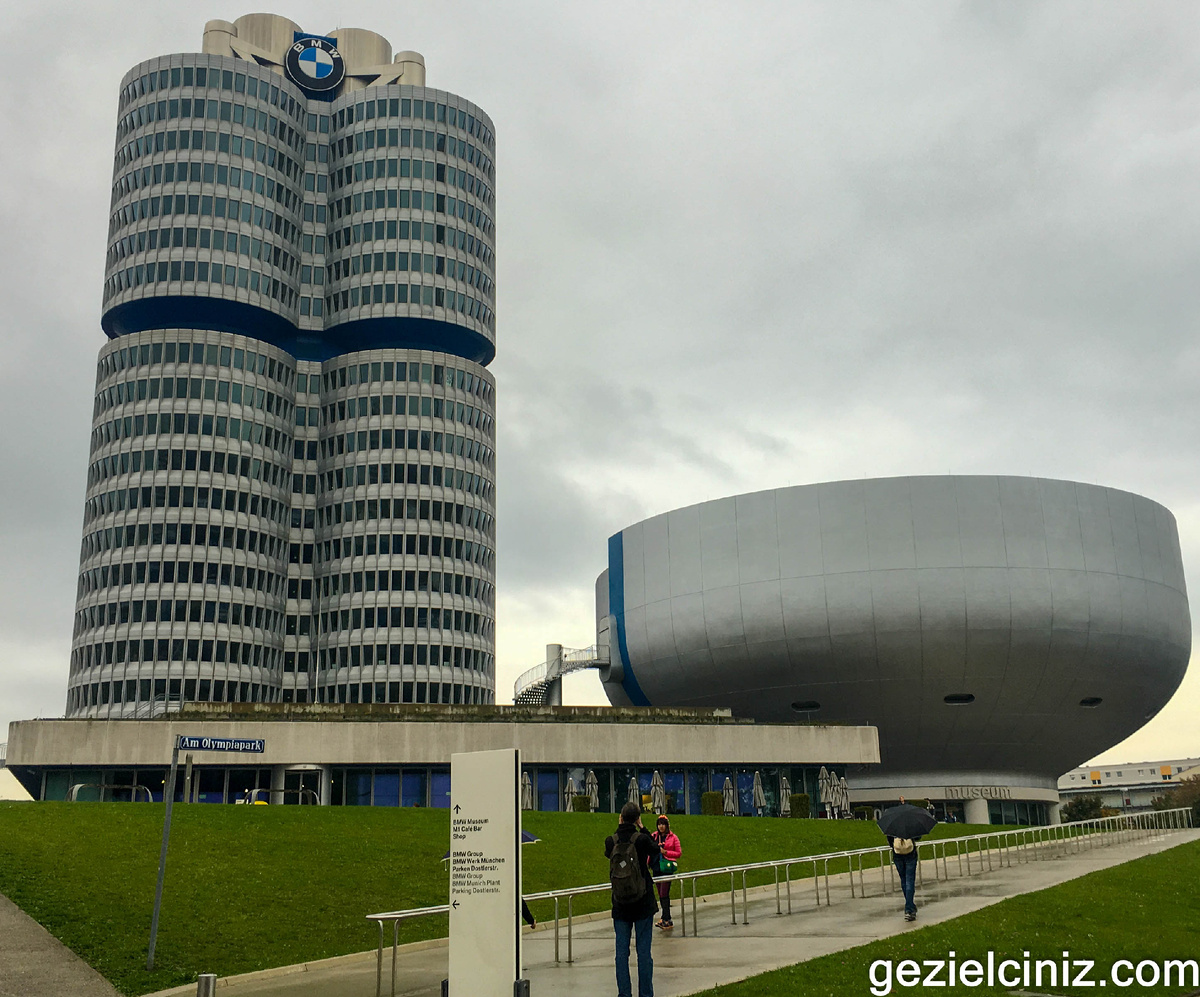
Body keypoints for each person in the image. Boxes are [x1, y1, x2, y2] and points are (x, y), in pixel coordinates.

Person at [605, 801, 661, 997]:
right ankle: (646, 993)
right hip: (643, 901)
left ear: (621, 816)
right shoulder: (641, 840)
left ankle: (624, 994)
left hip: (620, 903)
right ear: (637, 818)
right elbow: (655, 849)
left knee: (621, 953)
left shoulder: (611, 840)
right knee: (644, 953)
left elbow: (609, 854)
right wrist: (643, 827)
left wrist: (620, 827)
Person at [888, 797, 922, 922]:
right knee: (910, 880)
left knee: (904, 880)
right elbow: (918, 837)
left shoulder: (892, 822)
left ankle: (910, 906)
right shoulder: (911, 822)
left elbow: (889, 840)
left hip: (897, 854)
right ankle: (909, 908)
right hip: (910, 854)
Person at [651, 815, 681, 929]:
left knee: (664, 893)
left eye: (663, 824)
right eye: (659, 824)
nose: (661, 826)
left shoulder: (673, 837)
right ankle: (665, 918)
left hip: (666, 868)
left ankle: (667, 918)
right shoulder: (654, 836)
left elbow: (678, 853)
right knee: (660, 894)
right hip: (656, 867)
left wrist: (666, 852)